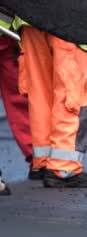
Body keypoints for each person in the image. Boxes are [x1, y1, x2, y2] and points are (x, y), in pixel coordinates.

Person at [13, 18, 87, 188]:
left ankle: (45, 162)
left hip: (29, 18)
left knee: (40, 96)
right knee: (70, 98)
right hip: (67, 18)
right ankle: (63, 169)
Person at [0, 16, 38, 179]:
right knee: (20, 97)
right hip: (8, 32)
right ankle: (38, 157)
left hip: (9, 35)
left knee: (21, 95)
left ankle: (38, 158)